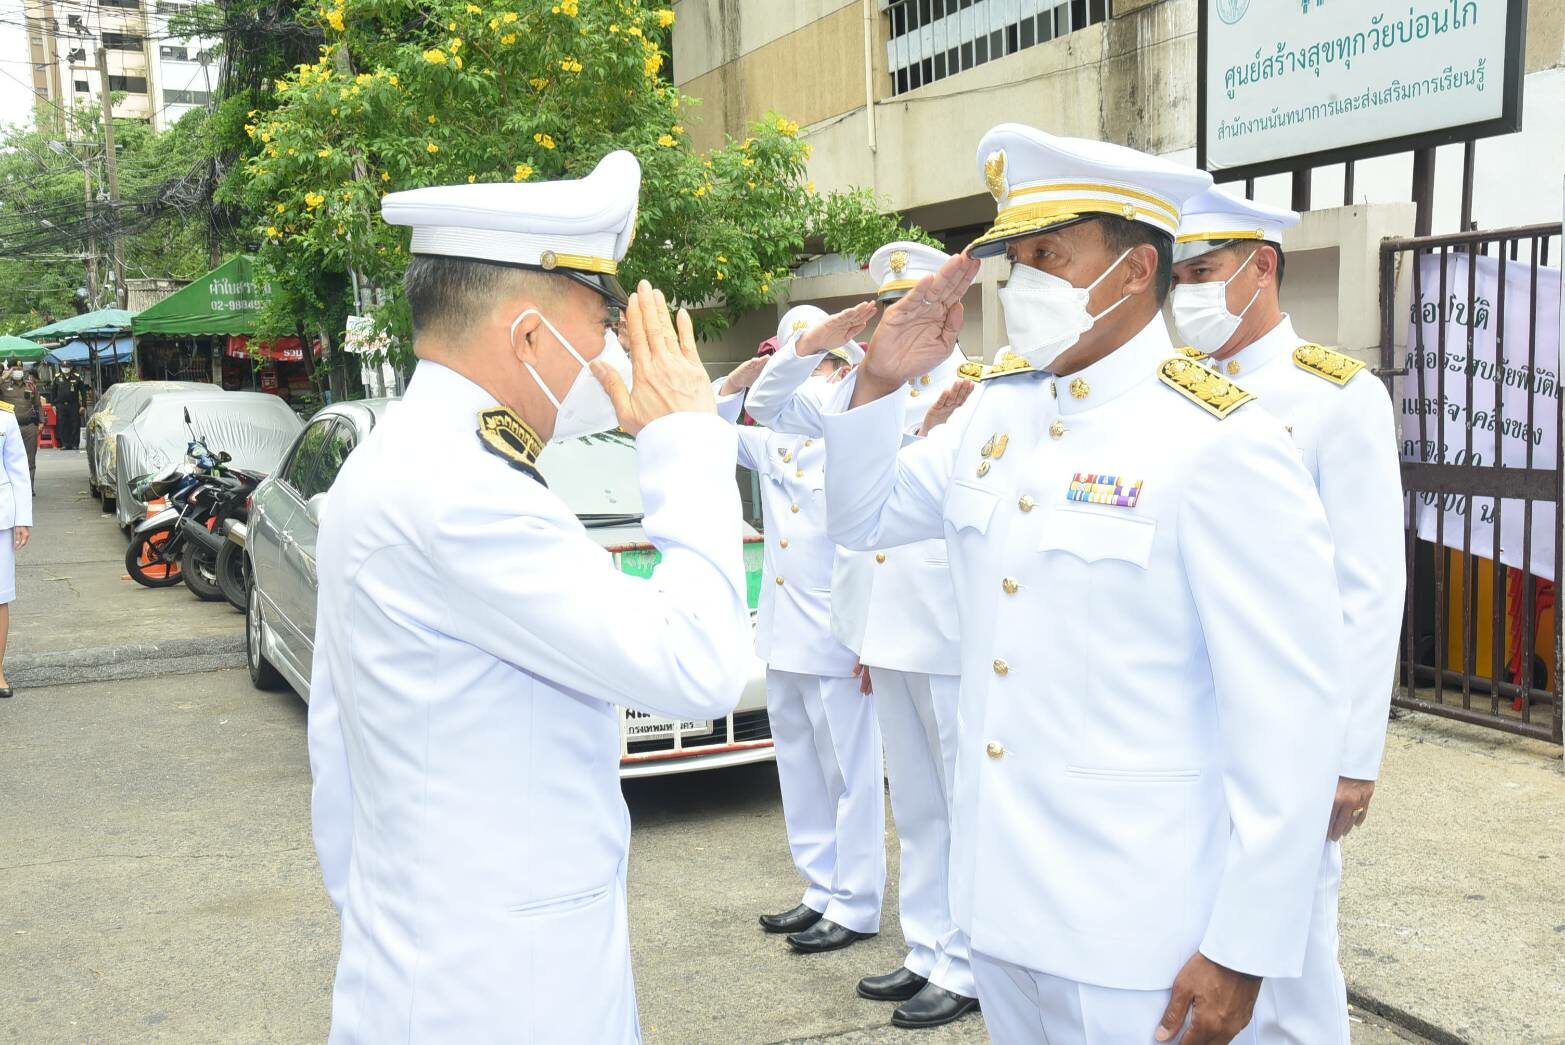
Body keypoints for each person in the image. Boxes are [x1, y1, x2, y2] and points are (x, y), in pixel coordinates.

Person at [820, 124, 1349, 1044]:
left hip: (1139, 928)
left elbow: (1289, 719)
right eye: (1012, 260)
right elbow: (862, 520)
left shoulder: (1222, 442)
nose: (1018, 285)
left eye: (1046, 257)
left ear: (1135, 271)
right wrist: (878, 380)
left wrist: (1242, 948)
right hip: (1000, 908)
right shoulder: (998, 408)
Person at [306, 151, 752, 1043]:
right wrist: (687, 443)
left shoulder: (416, 458)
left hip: (458, 961)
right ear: (527, 339)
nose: (617, 355)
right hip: (493, 992)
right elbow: (700, 664)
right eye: (602, 324)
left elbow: (338, 767)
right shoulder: (462, 492)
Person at [1171, 189, 1407, 1044]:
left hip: (1292, 736)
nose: (1184, 292)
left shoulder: (1335, 395)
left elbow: (1368, 586)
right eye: (1177, 275)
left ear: (1259, 266)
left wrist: (1350, 757)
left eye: (1201, 272)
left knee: (1294, 958)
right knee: (1203, 934)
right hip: (1192, 727)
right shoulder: (1172, 395)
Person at [742, 242, 981, 1029]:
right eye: (889, 310)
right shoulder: (856, 388)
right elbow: (770, 408)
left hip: (949, 629)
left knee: (959, 799)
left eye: (918, 305)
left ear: (950, 310)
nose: (902, 321)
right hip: (886, 630)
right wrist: (810, 345)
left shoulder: (977, 391)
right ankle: (927, 948)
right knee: (915, 804)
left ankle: (970, 957)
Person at [713, 309, 888, 957]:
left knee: (851, 771)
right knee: (800, 765)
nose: (805, 380)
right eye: (795, 364)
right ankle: (819, 886)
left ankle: (857, 899)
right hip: (784, 631)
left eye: (817, 363)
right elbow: (708, 431)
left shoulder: (862, 436)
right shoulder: (776, 440)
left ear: (843, 369)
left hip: (841, 633)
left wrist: (871, 631)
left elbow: (874, 546)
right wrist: (740, 377)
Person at [0, 399, 32, 699]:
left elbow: (18, 470)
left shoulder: (4, 418)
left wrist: (22, 519)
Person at [0, 363, 40, 488]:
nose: (18, 371)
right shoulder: (4, 386)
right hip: (9, 429)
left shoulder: (30, 385)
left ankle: (28, 487)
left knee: (30, 459)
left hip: (28, 427)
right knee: (8, 459)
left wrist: (42, 422)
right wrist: (3, 377)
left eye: (20, 368)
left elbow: (38, 405)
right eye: (15, 369)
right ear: (10, 370)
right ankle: (11, 486)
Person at [48, 364, 89, 451]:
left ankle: (74, 444)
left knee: (75, 424)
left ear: (71, 368)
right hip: (61, 405)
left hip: (73, 405)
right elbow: (52, 391)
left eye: (67, 367)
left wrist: (83, 405)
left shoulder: (77, 377)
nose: (65, 369)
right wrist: (53, 405)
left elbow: (83, 392)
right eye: (63, 367)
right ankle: (65, 444)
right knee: (62, 424)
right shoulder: (57, 377)